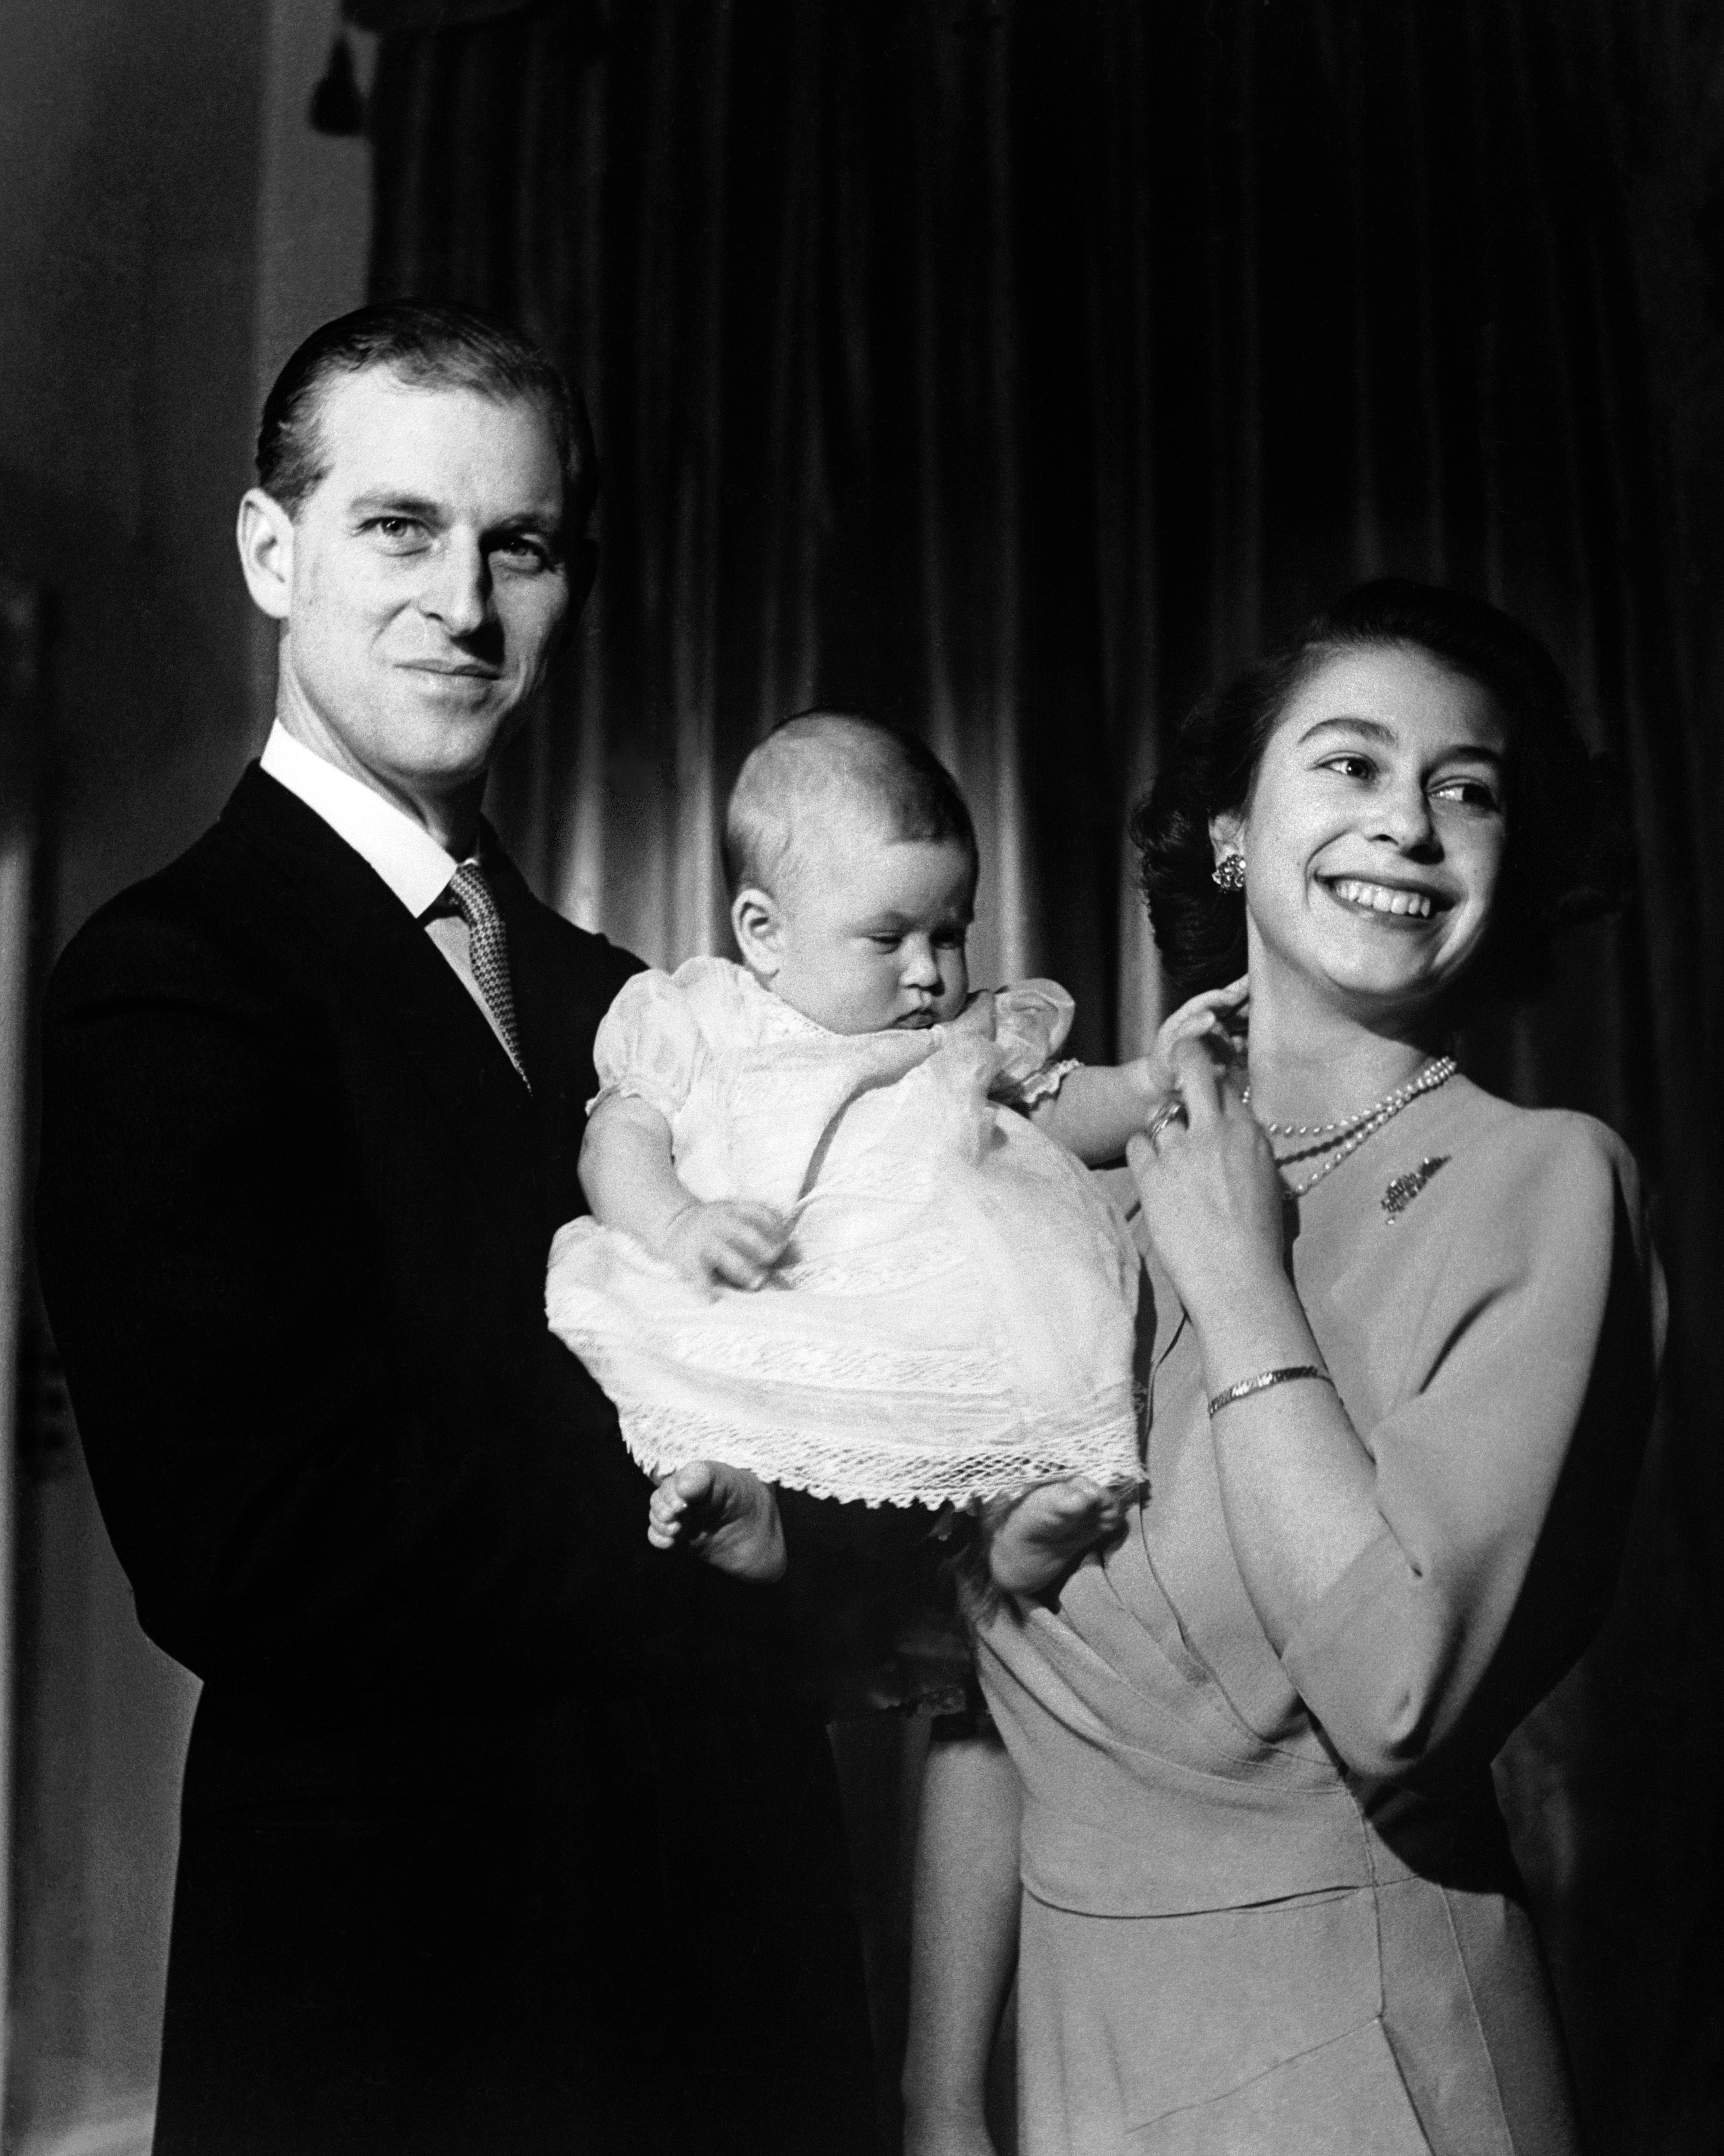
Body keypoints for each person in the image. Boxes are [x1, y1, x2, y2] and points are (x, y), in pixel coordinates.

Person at [35, 301, 879, 2155]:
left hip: (730, 1976)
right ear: (275, 552)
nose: (465, 603)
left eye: (523, 545)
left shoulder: (621, 1001)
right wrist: (713, 1519)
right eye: (398, 528)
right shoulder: (173, 981)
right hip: (401, 1996)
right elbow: (250, 1543)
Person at [902, 580, 1664, 2156]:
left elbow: (1395, 1697)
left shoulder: (1541, 1186)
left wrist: (1242, 1288)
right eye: (1349, 765)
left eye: (1465, 789)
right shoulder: (1073, 1190)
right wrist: (934, 2095)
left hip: (1364, 2046)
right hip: (1070, 2048)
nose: (1407, 822)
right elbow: (967, 1680)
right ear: (1230, 832)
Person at [549, 711, 1244, 1513]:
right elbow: (616, 1143)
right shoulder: (699, 1017)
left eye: (948, 935)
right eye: (887, 939)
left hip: (918, 1304)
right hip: (762, 1287)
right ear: (763, 933)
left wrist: (1147, 1083)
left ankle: (1004, 1529)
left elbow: (1051, 1112)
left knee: (1014, 1369)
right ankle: (750, 1501)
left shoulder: (957, 1036)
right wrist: (677, 1226)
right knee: (706, 1380)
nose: (926, 972)